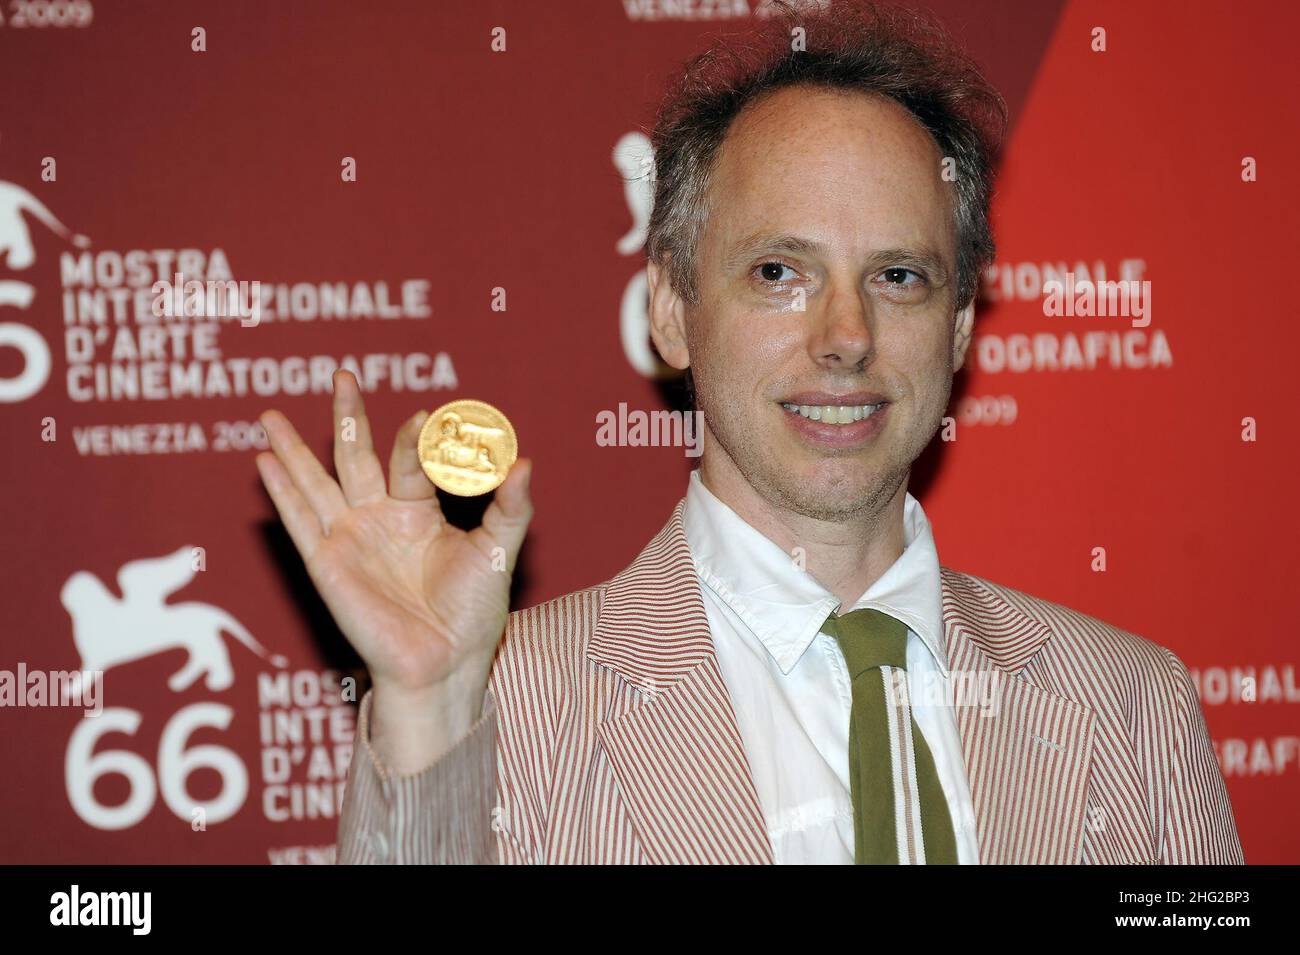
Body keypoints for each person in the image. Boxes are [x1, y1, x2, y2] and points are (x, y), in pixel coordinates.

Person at [254, 2, 1243, 864]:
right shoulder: (508, 700)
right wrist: (428, 709)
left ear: (957, 326)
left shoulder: (1130, 704)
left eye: (898, 275)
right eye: (779, 272)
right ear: (672, 312)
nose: (846, 337)